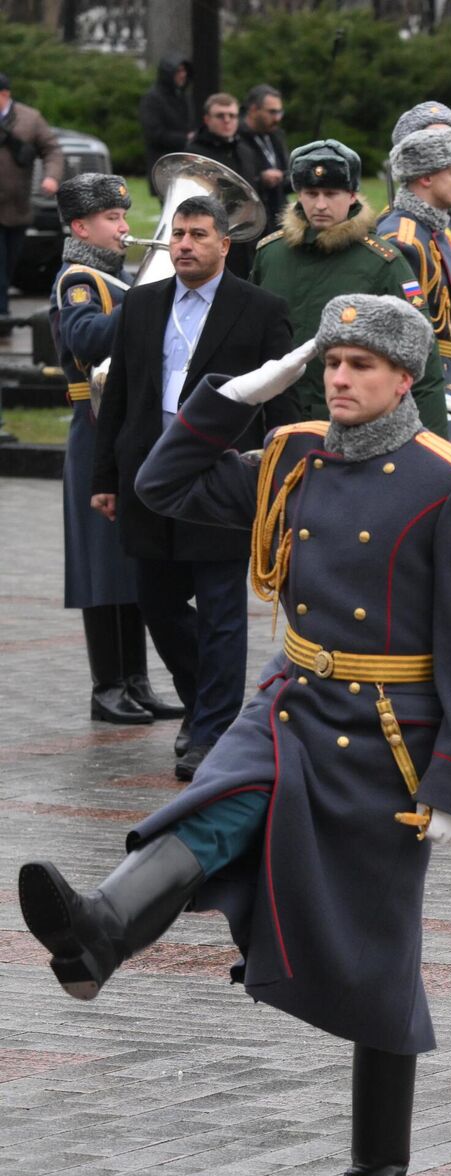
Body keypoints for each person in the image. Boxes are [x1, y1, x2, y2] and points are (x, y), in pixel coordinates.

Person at [20, 293, 451, 1176]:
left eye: (360, 365)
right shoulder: (293, 452)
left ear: (404, 378)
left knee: (377, 958)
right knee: (218, 805)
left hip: (385, 732)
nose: (339, 379)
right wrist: (237, 394)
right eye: (329, 363)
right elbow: (161, 484)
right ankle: (102, 928)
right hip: (292, 699)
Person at [92, 195, 297, 781]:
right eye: (178, 233)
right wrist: (106, 477)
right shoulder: (142, 304)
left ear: (223, 245)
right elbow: (122, 396)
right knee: (156, 601)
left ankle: (209, 732)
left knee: (221, 610)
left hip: (219, 480)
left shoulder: (260, 309)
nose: (183, 244)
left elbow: (282, 405)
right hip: (148, 476)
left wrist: (279, 479)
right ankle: (208, 704)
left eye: (197, 234)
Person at [53, 174, 180, 728]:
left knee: (130, 559)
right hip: (94, 428)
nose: (126, 228)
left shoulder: (116, 279)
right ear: (82, 226)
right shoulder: (78, 280)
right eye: (112, 219)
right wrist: (148, 301)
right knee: (102, 564)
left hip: (125, 429)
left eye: (124, 217)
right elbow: (86, 341)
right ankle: (107, 686)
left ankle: (136, 681)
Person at [251, 139, 447, 432]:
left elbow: (422, 362)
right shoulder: (270, 254)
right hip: (276, 423)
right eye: (311, 193)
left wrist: (432, 449)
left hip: (355, 425)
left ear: (353, 195)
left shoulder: (383, 263)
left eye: (331, 194)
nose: (320, 205)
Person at [380, 127, 451, 417]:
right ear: (426, 178)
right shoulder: (404, 239)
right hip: (423, 382)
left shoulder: (432, 229)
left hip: (448, 372)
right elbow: (401, 333)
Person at [0, 72, 63, 317]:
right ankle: (2, 314)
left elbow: (52, 150)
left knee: (10, 261)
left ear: (5, 95)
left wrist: (51, 176)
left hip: (17, 207)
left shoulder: (29, 119)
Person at [185, 93, 256, 276]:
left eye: (232, 116)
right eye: (220, 116)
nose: (227, 120)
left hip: (245, 236)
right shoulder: (195, 153)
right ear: (207, 119)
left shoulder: (245, 149)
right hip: (213, 233)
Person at [137, 58, 192, 192]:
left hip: (185, 162)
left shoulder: (183, 97)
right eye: (178, 71)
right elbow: (154, 133)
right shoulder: (153, 99)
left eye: (184, 70)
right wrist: (186, 138)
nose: (182, 75)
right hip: (164, 163)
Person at [239, 85, 289, 222]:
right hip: (250, 217)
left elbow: (286, 169)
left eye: (280, 112)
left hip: (277, 214)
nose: (277, 118)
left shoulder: (276, 135)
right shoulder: (237, 139)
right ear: (254, 110)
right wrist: (260, 180)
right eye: (272, 112)